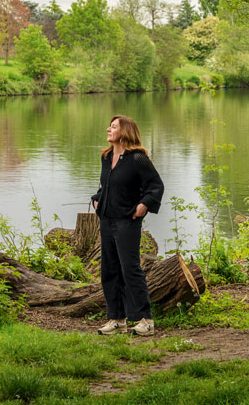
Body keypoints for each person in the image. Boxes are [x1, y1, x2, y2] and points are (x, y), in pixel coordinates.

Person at [91, 115, 164, 336]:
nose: (108, 129)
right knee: (109, 270)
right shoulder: (106, 156)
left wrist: (144, 204)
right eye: (110, 126)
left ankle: (145, 320)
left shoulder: (137, 159)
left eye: (113, 127)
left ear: (125, 132)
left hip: (127, 222)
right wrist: (97, 197)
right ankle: (117, 320)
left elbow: (156, 186)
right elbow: (108, 185)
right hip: (107, 220)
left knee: (129, 269)